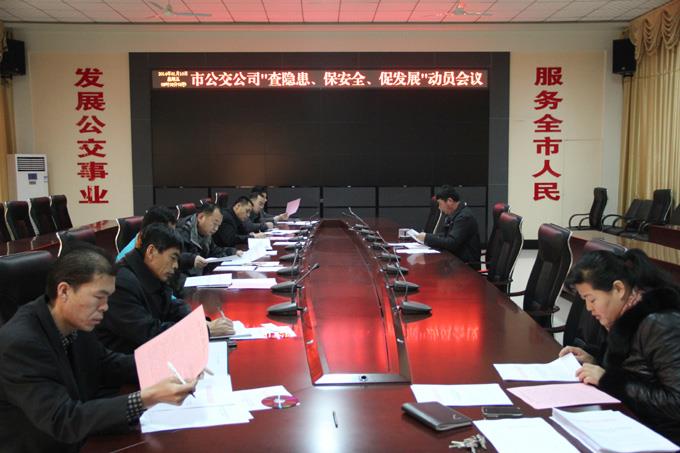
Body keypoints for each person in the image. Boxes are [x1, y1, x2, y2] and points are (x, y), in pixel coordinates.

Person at [0, 245, 196, 452]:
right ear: (64, 291)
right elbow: (64, 419)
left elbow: (106, 363)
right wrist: (146, 398)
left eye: (108, 298)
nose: (106, 307)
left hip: (83, 438)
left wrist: (169, 364)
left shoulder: (75, 320)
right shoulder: (20, 344)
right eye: (98, 297)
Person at [559, 249, 680, 443]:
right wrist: (594, 359)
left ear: (618, 289)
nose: (588, 308)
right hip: (630, 421)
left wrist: (607, 380)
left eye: (592, 299)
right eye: (585, 301)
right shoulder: (624, 315)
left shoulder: (661, 324)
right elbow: (633, 367)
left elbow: (675, 402)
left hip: (661, 437)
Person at [98, 224, 234, 354]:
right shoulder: (121, 283)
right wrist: (202, 330)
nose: (176, 266)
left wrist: (199, 322)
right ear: (151, 251)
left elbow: (172, 306)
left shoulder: (151, 271)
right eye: (173, 258)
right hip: (129, 361)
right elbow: (149, 333)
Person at [415, 186, 481, 269]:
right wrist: (427, 236)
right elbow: (446, 235)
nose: (439, 208)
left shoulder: (464, 217)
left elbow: (452, 243)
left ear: (449, 201)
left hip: (466, 265)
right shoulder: (456, 214)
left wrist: (427, 237)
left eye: (440, 204)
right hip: (456, 261)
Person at [175, 202, 242, 276]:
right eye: (214, 224)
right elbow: (174, 258)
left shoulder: (205, 234)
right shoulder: (181, 232)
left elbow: (215, 251)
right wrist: (191, 259)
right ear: (201, 217)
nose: (216, 229)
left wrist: (233, 252)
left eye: (218, 225)